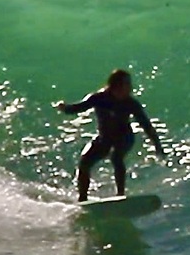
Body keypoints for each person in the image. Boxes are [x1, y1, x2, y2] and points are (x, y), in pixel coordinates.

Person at [56, 69, 165, 201]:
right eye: (127, 84)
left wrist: (158, 146)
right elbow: (78, 108)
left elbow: (146, 126)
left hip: (124, 137)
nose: (131, 87)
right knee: (84, 162)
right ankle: (83, 199)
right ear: (116, 85)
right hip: (104, 138)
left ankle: (120, 195)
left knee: (116, 156)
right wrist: (64, 108)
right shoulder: (98, 98)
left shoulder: (131, 103)